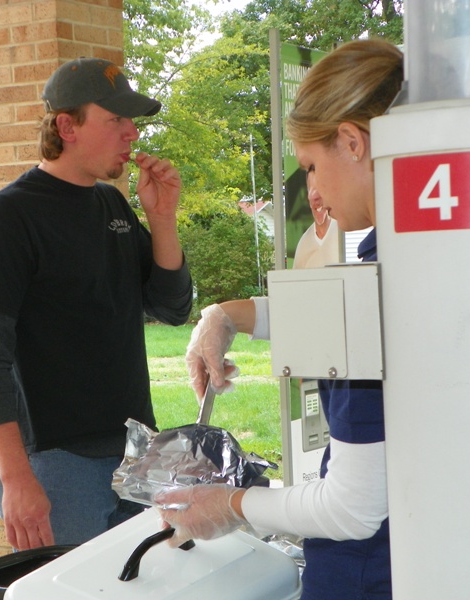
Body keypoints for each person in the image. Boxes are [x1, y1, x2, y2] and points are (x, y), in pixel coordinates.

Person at [157, 39, 403, 600]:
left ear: (353, 142)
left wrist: (229, 504)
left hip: (371, 574)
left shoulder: (376, 283)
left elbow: (353, 507)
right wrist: (225, 316)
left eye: (312, 166)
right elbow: (333, 313)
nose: (312, 188)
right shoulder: (414, 256)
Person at [0, 57, 193, 551]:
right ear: (67, 127)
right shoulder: (9, 216)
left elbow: (171, 308)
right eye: (115, 119)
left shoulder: (111, 205)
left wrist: (163, 219)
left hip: (134, 453)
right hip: (57, 464)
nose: (132, 132)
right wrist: (16, 476)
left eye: (132, 120)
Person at [292, 187, 340, 269]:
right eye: (312, 193)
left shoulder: (341, 234)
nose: (317, 200)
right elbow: (296, 276)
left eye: (321, 193)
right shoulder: (304, 243)